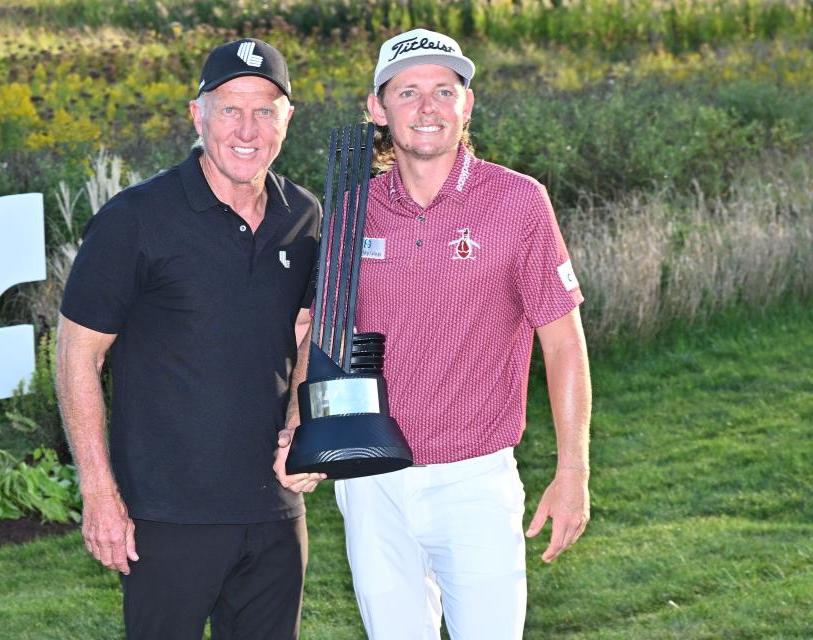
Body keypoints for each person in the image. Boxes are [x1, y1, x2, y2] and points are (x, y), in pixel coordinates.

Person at [275, 28, 592, 639]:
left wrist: (573, 470)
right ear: (377, 108)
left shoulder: (519, 202)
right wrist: (300, 426)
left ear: (466, 104)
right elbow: (319, 334)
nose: (427, 107)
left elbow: (563, 340)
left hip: (475, 479)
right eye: (407, 91)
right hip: (370, 484)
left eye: (444, 91)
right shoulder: (350, 210)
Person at [56, 38, 323, 640]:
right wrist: (99, 493)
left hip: (275, 511)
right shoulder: (136, 219)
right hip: (164, 515)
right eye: (230, 108)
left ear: (287, 120)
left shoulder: (303, 215)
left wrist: (302, 423)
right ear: (196, 115)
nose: (247, 128)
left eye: (265, 110)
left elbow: (308, 330)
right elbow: (78, 354)